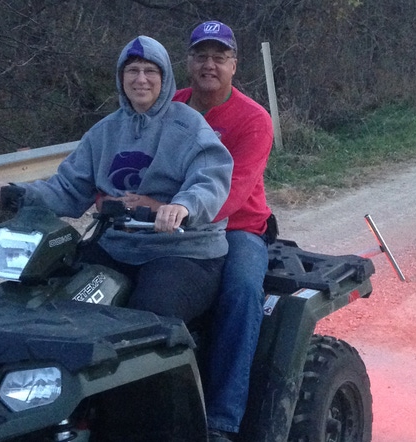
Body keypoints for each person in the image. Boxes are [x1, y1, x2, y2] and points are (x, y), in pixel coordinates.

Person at [0, 35, 234, 323]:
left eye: (150, 71)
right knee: (53, 299)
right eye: (132, 70)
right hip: (117, 246)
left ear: (165, 77)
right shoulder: (104, 132)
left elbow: (210, 180)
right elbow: (67, 189)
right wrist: (20, 194)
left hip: (182, 251)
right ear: (121, 78)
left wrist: (183, 207)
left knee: (146, 319)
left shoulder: (190, 126)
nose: (141, 79)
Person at [175, 21, 275, 442]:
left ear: (234, 65)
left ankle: (222, 419)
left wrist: (180, 212)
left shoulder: (253, 119)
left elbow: (234, 192)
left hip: (238, 228)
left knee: (240, 292)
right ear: (188, 62)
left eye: (219, 57)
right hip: (171, 222)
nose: (209, 65)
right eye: (201, 56)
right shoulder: (172, 106)